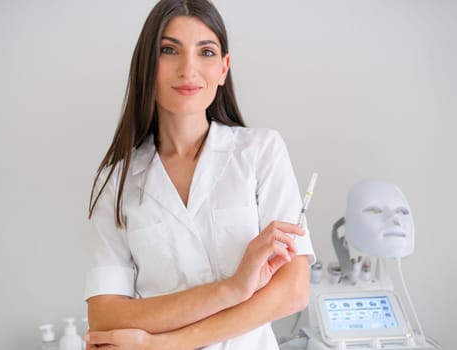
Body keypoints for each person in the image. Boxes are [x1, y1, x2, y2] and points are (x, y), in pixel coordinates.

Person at [83, 0, 316, 349]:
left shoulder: (260, 152)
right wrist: (232, 289)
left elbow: (293, 289)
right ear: (147, 66)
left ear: (224, 69)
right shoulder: (116, 181)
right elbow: (104, 314)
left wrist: (164, 345)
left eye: (205, 52)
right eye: (169, 50)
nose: (188, 69)